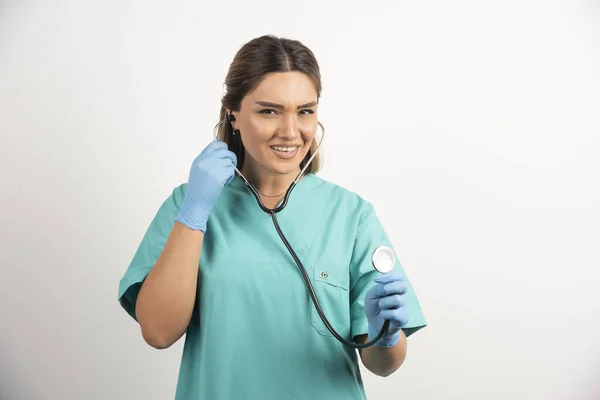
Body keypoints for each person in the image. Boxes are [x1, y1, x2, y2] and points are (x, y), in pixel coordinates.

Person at [118, 35, 427, 400]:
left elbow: (383, 364)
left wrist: (386, 334)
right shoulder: (190, 205)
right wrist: (195, 214)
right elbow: (157, 332)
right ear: (233, 113)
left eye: (305, 111)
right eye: (269, 111)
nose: (290, 131)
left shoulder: (352, 215)